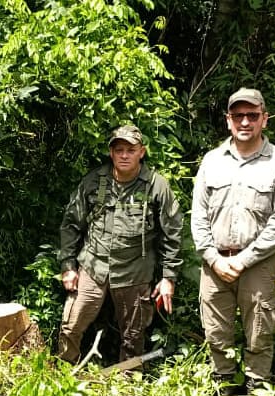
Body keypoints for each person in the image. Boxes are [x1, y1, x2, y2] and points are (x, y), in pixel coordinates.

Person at [190, 88, 275, 396]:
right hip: (214, 265)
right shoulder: (211, 161)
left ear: (265, 119)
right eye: (238, 115)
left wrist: (245, 259)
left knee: (260, 333)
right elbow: (198, 217)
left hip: (258, 265)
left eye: (252, 115)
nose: (245, 121)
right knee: (216, 334)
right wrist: (213, 258)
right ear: (228, 121)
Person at [58, 125, 183, 363]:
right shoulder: (94, 181)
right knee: (71, 325)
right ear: (111, 153)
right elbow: (71, 224)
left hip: (134, 272)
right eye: (119, 150)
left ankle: (128, 382)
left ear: (141, 152)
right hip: (93, 267)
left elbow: (172, 232)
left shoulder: (156, 186)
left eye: (130, 150)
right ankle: (63, 374)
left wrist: (169, 277)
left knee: (133, 335)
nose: (124, 155)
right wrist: (68, 266)